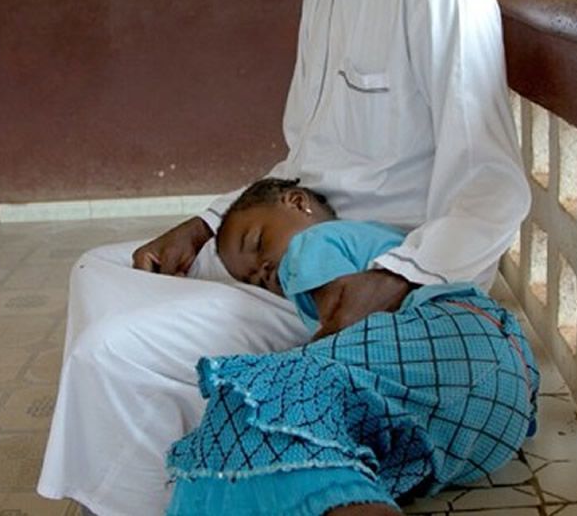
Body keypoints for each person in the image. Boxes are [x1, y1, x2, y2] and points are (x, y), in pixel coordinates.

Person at [37, 0, 530, 514]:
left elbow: (491, 185)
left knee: (109, 351)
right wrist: (205, 224)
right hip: (285, 255)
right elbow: (302, 163)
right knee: (101, 269)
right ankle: (202, 435)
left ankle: (165, 487)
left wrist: (391, 279)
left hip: (353, 290)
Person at [166, 178, 539, 516]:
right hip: (502, 402)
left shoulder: (313, 243)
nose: (263, 269)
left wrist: (275, 373)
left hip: (456, 344)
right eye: (254, 280)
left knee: (252, 402)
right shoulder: (377, 245)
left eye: (258, 243)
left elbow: (344, 315)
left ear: (297, 202)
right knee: (283, 445)